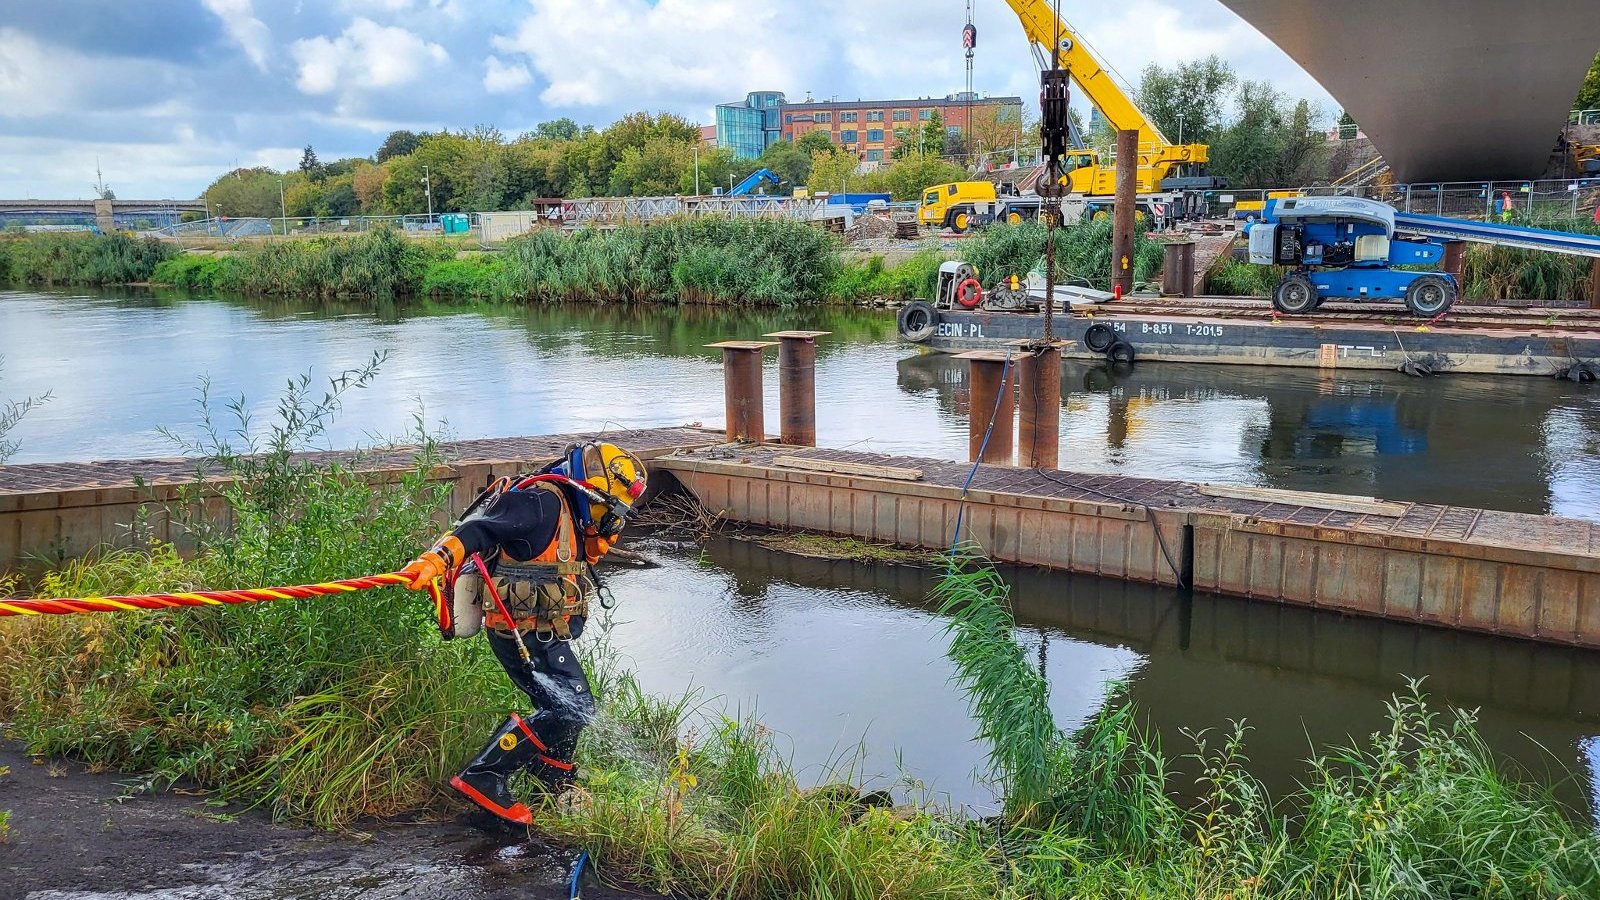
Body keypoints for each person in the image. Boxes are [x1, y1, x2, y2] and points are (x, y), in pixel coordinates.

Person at [399, 441, 647, 825]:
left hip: (543, 634)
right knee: (572, 706)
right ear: (590, 490)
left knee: (569, 707)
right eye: (605, 510)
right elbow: (478, 530)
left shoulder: (566, 509)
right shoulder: (540, 503)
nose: (606, 520)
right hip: (522, 635)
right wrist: (436, 559)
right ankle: (485, 774)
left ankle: (554, 779)